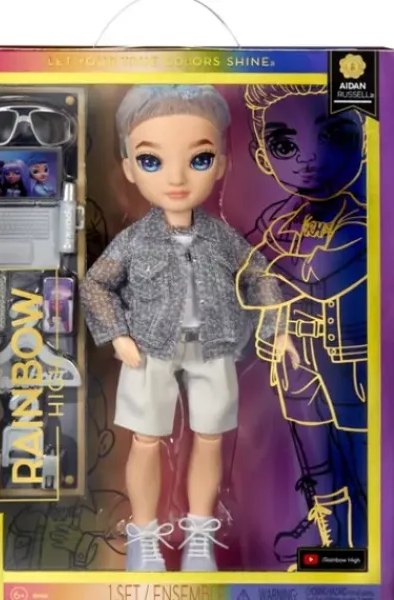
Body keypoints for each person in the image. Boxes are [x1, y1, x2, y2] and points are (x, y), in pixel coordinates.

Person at [80, 85, 298, 572]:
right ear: (130, 168)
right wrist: (118, 335)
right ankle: (144, 539)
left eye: (199, 159)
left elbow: (259, 274)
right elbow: (96, 285)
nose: (176, 178)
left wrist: (277, 329)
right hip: (149, 349)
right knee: (146, 439)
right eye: (152, 161)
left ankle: (199, 537)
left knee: (211, 436)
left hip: (215, 346)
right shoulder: (135, 241)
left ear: (221, 164)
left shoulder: (221, 238)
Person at [239, 84, 368, 563]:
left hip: (346, 358)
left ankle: (364, 544)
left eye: (333, 136)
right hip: (292, 350)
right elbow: (246, 282)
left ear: (364, 143)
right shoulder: (281, 217)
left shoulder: (361, 218)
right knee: (314, 459)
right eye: (285, 145)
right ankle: (331, 540)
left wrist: (272, 267)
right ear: (262, 156)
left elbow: (322, 280)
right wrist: (277, 314)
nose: (309, 158)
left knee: (359, 455)